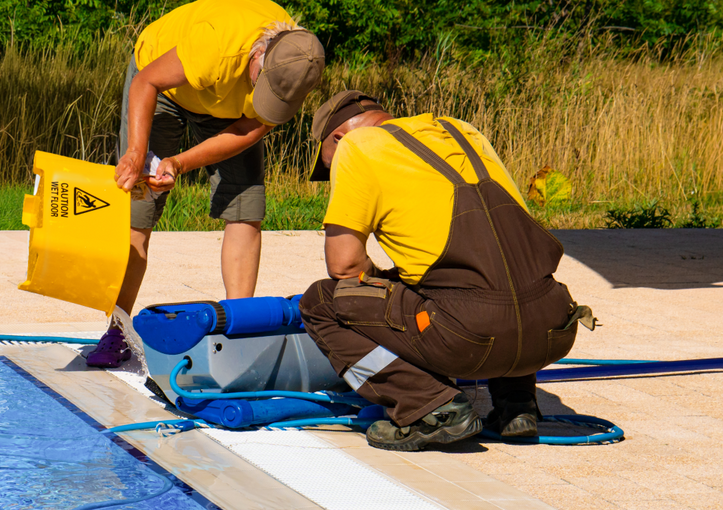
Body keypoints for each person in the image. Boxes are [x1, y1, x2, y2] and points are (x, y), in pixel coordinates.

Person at [297, 90, 595, 451]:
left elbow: (343, 265)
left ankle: (430, 408)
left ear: (339, 139)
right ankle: (516, 407)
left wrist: (386, 284)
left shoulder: (358, 147)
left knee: (322, 302)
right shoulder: (462, 131)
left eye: (327, 166)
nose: (332, 176)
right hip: (550, 329)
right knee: (501, 275)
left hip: (470, 338)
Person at [86, 0, 326, 368]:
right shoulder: (218, 44)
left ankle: (239, 332)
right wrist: (137, 153)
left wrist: (178, 163)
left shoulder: (297, 66)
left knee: (246, 208)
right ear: (258, 53)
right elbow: (145, 82)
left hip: (225, 108)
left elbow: (248, 129)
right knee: (138, 210)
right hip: (161, 87)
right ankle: (117, 329)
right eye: (260, 84)